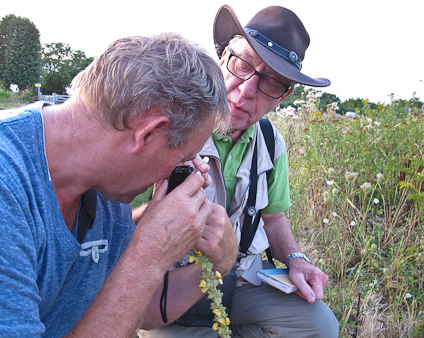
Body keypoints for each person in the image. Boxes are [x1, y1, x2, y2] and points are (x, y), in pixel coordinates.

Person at [0, 32, 238, 337]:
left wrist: (222, 260)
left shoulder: (108, 184)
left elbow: (136, 311)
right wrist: (149, 251)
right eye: (184, 158)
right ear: (148, 133)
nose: (188, 173)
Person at [135, 5, 339, 337]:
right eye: (242, 65)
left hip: (243, 278)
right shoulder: (167, 128)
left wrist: (297, 259)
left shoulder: (271, 142)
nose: (246, 90)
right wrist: (159, 213)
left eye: (271, 83)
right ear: (221, 58)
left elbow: (273, 218)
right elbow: (117, 224)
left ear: (284, 96)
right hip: (170, 284)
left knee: (320, 325)